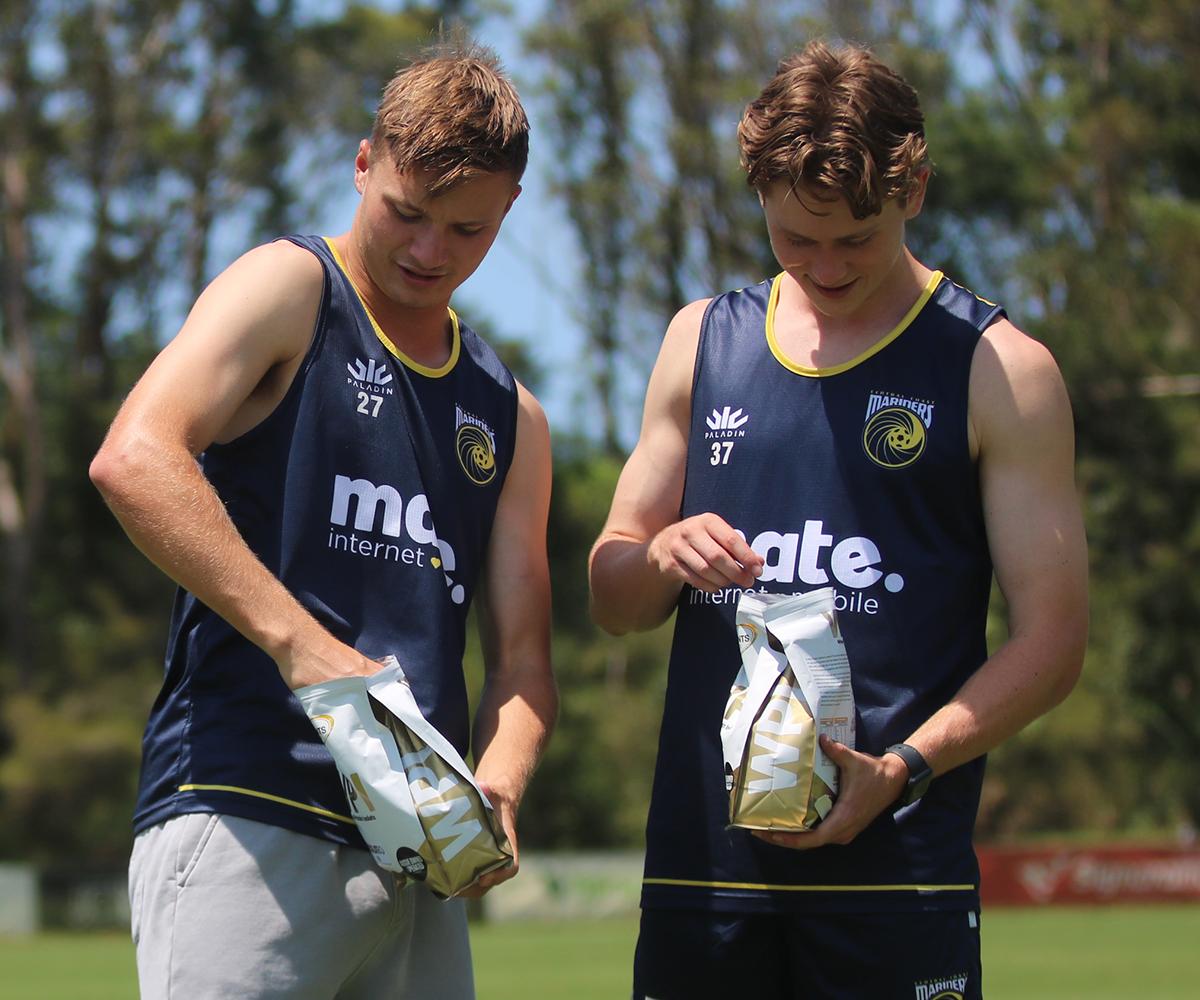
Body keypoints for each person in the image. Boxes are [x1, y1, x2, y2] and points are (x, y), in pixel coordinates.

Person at [589, 40, 1087, 999]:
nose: (822, 265)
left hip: (896, 870)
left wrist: (903, 766)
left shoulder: (1000, 368)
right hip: (708, 871)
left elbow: (1056, 642)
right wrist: (657, 552)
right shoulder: (703, 338)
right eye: (792, 238)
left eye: (853, 240)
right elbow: (613, 598)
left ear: (915, 191)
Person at [89, 38, 556, 1000]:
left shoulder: (512, 414)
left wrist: (500, 783)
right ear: (361, 164)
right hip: (249, 805)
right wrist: (302, 646)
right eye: (405, 212)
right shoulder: (292, 288)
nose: (429, 250)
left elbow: (522, 664)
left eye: (466, 229)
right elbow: (135, 459)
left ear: (508, 212)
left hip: (421, 854)